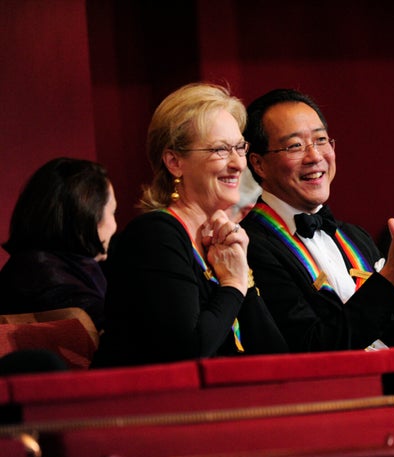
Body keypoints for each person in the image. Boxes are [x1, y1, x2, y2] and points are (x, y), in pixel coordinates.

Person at [240, 88, 394, 352]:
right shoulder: (249, 245)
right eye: (295, 146)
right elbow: (311, 349)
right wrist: (392, 277)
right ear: (259, 164)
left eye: (321, 140)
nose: (315, 156)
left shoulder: (355, 237)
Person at [92, 82, 288, 368]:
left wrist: (242, 274)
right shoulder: (154, 236)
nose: (238, 164)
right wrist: (233, 283)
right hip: (151, 408)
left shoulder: (224, 239)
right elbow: (189, 352)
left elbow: (278, 357)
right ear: (174, 161)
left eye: (239, 148)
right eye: (221, 149)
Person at [0, 157, 117, 331]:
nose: (115, 225)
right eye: (113, 212)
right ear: (88, 217)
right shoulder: (43, 275)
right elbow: (120, 332)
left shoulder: (44, 265)